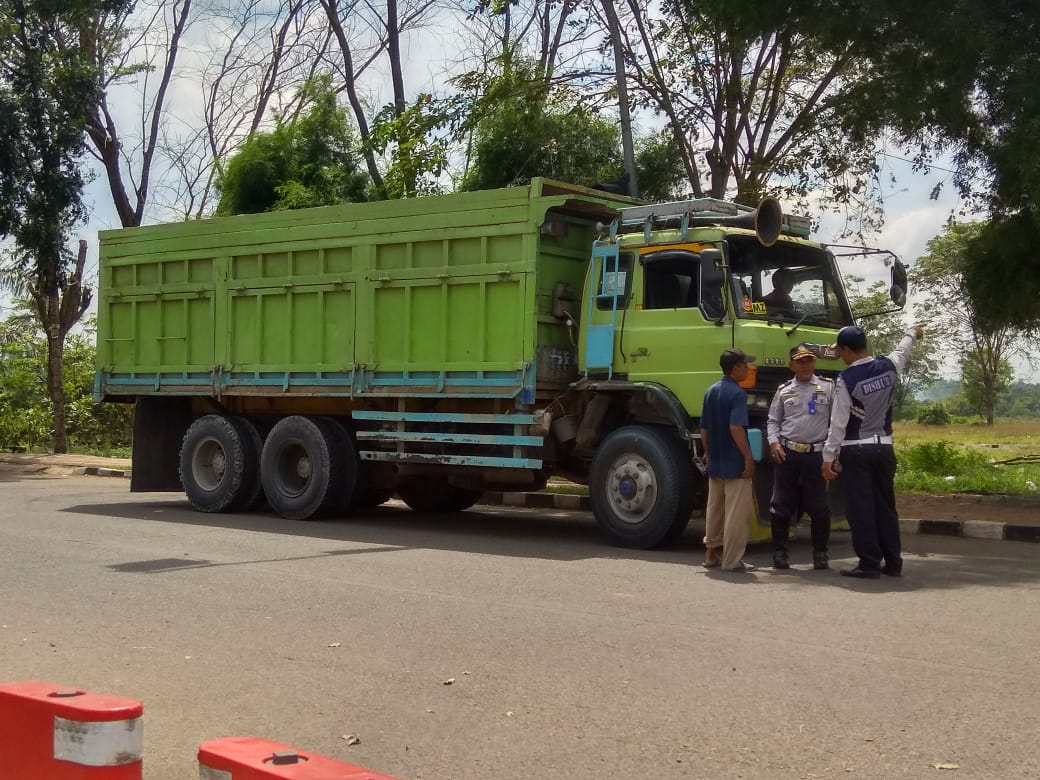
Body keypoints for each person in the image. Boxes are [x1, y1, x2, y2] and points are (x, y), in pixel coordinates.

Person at [821, 323, 925, 578]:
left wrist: (828, 457)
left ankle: (869, 562)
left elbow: (838, 423)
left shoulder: (846, 380)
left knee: (861, 509)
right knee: (886, 507)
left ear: (846, 350)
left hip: (856, 450)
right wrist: (912, 332)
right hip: (885, 449)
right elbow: (903, 350)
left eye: (841, 351)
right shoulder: (889, 366)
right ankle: (893, 561)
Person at [767, 343, 834, 570]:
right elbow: (773, 421)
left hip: (816, 455)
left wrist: (834, 453)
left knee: (819, 506)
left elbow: (837, 421)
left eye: (809, 361)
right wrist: (774, 443)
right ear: (791, 365)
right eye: (800, 361)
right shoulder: (784, 390)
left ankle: (821, 553)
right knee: (781, 505)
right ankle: (780, 553)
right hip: (788, 454)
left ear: (814, 363)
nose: (806, 365)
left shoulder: (828, 387)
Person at [700, 347, 758, 573]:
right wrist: (748, 457)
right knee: (735, 514)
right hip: (735, 462)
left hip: (715, 459)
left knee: (714, 509)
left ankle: (710, 554)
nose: (748, 368)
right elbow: (735, 427)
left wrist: (707, 452)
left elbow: (704, 428)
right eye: (745, 364)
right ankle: (732, 560)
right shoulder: (737, 394)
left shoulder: (711, 391)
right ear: (736, 368)